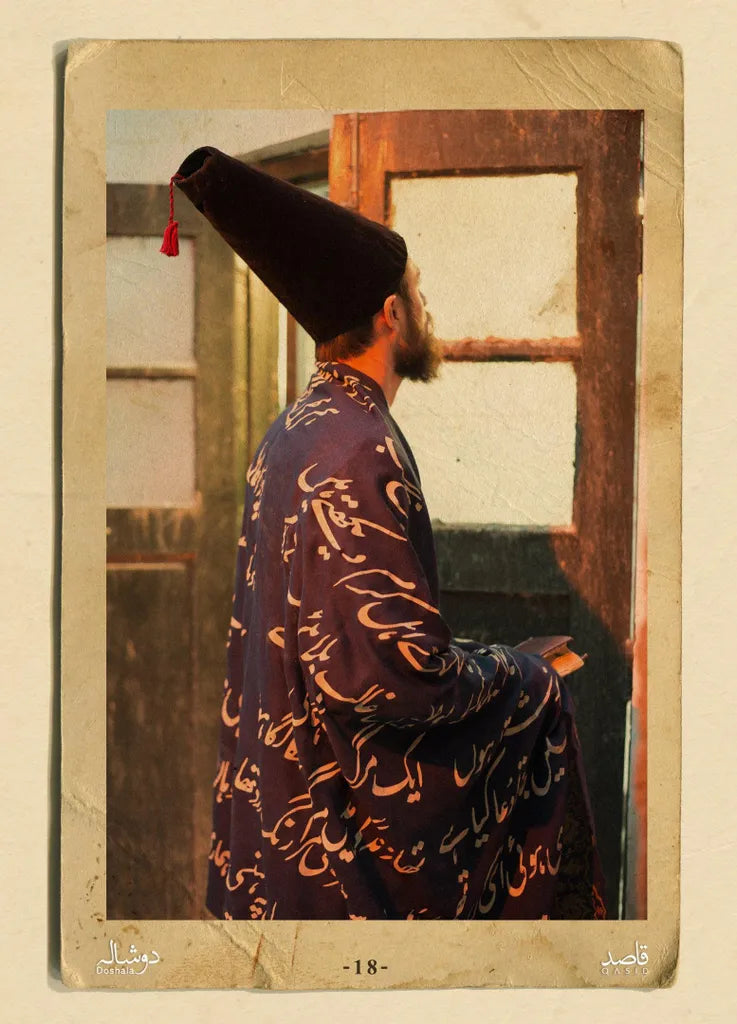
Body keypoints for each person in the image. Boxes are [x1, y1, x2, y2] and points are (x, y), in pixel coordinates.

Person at [165, 146, 607, 920]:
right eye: (418, 293)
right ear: (390, 314)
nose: (425, 309)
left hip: (281, 806)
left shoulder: (296, 428)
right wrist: (525, 676)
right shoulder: (355, 446)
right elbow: (384, 678)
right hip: (333, 850)